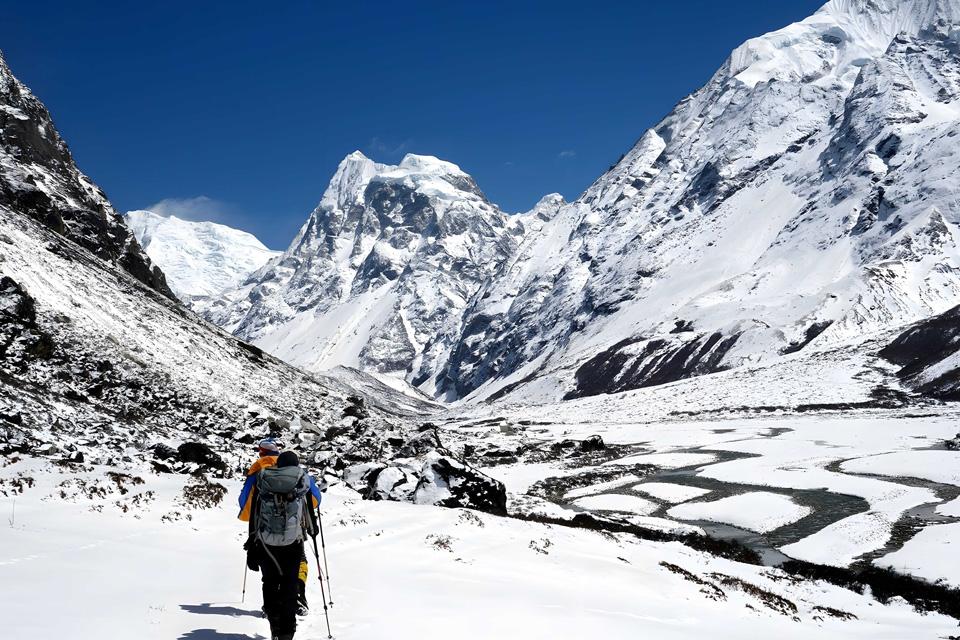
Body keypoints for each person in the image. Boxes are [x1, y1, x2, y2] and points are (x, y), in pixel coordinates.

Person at [239, 440, 321, 640]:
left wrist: (252, 544)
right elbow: (316, 501)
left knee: (269, 581)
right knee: (289, 584)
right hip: (293, 542)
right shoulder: (303, 479)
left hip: (265, 541)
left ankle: (275, 628)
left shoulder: (263, 479)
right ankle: (287, 634)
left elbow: (251, 510)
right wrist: (312, 528)